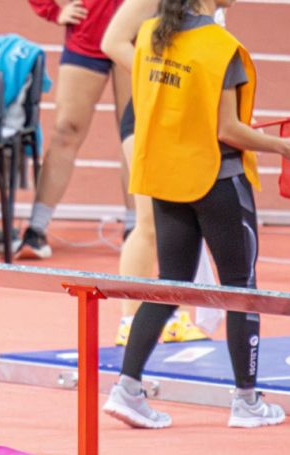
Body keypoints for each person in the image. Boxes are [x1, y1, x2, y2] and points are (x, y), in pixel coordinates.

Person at [103, 0, 290, 430]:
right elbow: (228, 130)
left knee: (170, 285)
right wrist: (285, 146)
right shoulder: (221, 47)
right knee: (241, 289)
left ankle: (126, 389)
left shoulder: (150, 36)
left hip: (166, 180)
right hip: (218, 181)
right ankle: (247, 400)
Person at [102, 0, 216, 345]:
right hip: (148, 116)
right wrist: (162, 76)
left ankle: (175, 315)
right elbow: (112, 42)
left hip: (185, 120)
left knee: (180, 224)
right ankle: (129, 320)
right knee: (149, 222)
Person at [17, 0, 128, 260]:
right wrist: (53, 9)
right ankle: (37, 227)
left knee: (133, 133)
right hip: (88, 34)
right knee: (66, 130)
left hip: (138, 35)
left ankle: (136, 228)